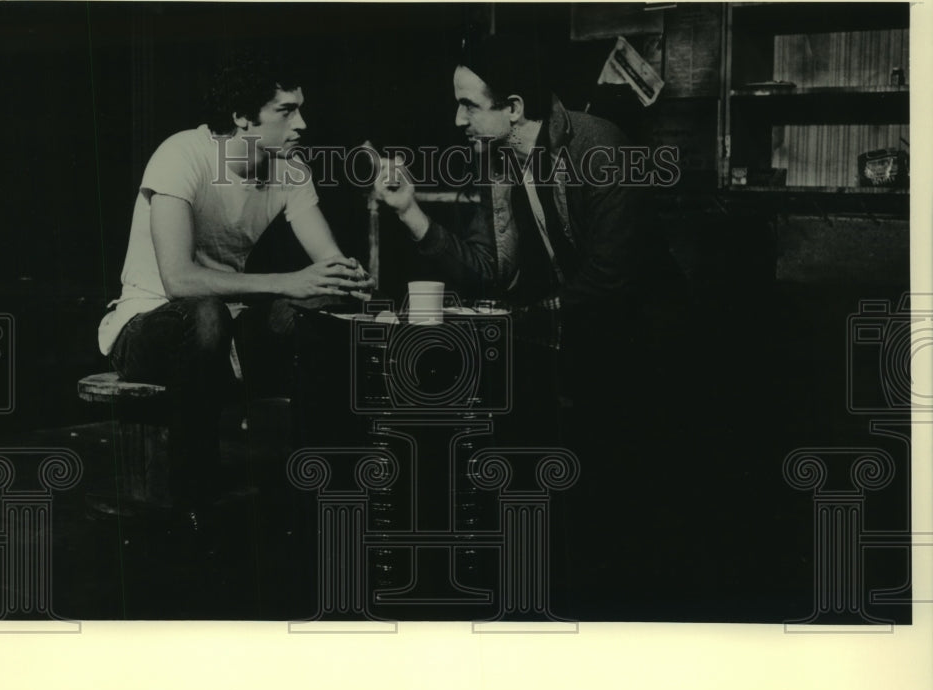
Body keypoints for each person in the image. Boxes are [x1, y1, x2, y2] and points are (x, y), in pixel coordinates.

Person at [371, 33, 687, 611]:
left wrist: (521, 318)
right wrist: (410, 212)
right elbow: (488, 268)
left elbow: (614, 281)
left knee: (625, 519)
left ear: (513, 108)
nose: (458, 119)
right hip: (584, 342)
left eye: (469, 104)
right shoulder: (503, 163)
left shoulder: (599, 147)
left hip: (649, 348)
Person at [97, 53, 373, 526]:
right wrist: (290, 282)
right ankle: (193, 499)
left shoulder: (291, 171)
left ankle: (320, 491)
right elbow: (178, 281)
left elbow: (327, 264)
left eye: (300, 108)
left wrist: (347, 279)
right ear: (243, 118)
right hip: (146, 325)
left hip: (226, 333)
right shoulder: (182, 155)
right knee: (207, 314)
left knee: (309, 316)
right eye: (286, 111)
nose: (302, 123)